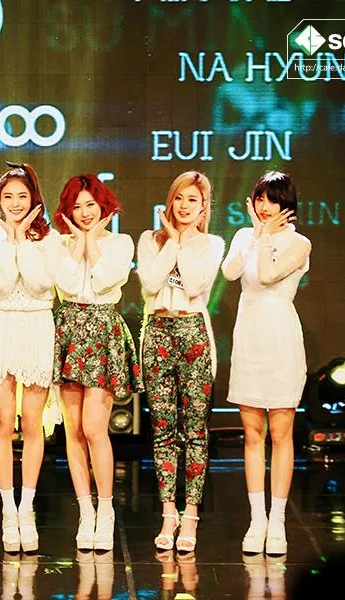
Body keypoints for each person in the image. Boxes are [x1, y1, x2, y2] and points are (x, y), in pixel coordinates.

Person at [0, 162, 62, 553]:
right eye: (7, 196)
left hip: (37, 328)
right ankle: (8, 510)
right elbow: (1, 283)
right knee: (3, 421)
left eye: (22, 196)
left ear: (34, 200)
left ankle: (27, 508)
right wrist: (9, 240)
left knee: (33, 423)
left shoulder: (50, 239)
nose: (14, 203)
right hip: (1, 328)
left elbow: (41, 283)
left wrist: (24, 238)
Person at [221, 171, 311, 555]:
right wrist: (256, 236)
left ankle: (278, 522)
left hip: (281, 340)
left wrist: (267, 238)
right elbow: (229, 272)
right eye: (259, 198)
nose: (264, 206)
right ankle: (256, 520)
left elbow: (271, 275)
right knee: (252, 432)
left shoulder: (300, 243)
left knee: (281, 432)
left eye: (272, 200)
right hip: (249, 340)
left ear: (286, 205)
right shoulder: (245, 236)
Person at [51, 174, 142, 551]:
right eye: (77, 206)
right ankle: (85, 511)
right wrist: (79, 243)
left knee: (94, 427)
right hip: (69, 330)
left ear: (103, 206)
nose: (85, 213)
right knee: (73, 430)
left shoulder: (121, 243)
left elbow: (105, 280)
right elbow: (69, 285)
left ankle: (106, 510)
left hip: (103, 329)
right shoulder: (58, 243)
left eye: (91, 205)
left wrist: (90, 241)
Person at [136, 171, 224, 553]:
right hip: (157, 331)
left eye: (193, 200)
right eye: (179, 198)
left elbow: (194, 284)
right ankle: (168, 512)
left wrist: (182, 243)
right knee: (163, 429)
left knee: (195, 429)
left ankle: (191, 514)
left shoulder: (212, 244)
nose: (184, 206)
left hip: (193, 333)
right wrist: (171, 241)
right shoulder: (149, 239)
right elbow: (151, 283)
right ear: (169, 201)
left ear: (204, 207)